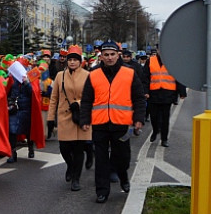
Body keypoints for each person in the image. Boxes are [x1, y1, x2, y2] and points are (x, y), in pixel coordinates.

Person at [79, 40, 146, 203]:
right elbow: (87, 99)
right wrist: (85, 119)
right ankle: (102, 191)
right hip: (100, 124)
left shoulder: (129, 73)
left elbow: (138, 98)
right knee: (101, 159)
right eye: (106, 55)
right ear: (101, 56)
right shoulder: (93, 74)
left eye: (112, 54)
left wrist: (138, 118)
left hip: (121, 124)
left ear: (118, 55)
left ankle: (123, 177)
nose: (109, 58)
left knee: (121, 157)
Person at [47, 45, 92, 190]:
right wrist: (50, 118)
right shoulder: (60, 76)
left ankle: (76, 179)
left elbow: (92, 96)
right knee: (64, 148)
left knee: (79, 149)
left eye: (75, 60)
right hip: (64, 116)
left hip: (81, 116)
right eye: (70, 59)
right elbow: (53, 98)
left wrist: (78, 103)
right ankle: (70, 166)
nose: (72, 62)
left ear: (80, 62)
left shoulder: (87, 75)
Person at [146, 49, 185, 147]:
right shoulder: (150, 60)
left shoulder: (173, 61)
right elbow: (145, 77)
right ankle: (155, 131)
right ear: (157, 50)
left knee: (165, 118)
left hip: (167, 93)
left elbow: (179, 77)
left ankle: (164, 139)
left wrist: (182, 92)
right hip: (153, 93)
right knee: (153, 116)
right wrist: (145, 92)